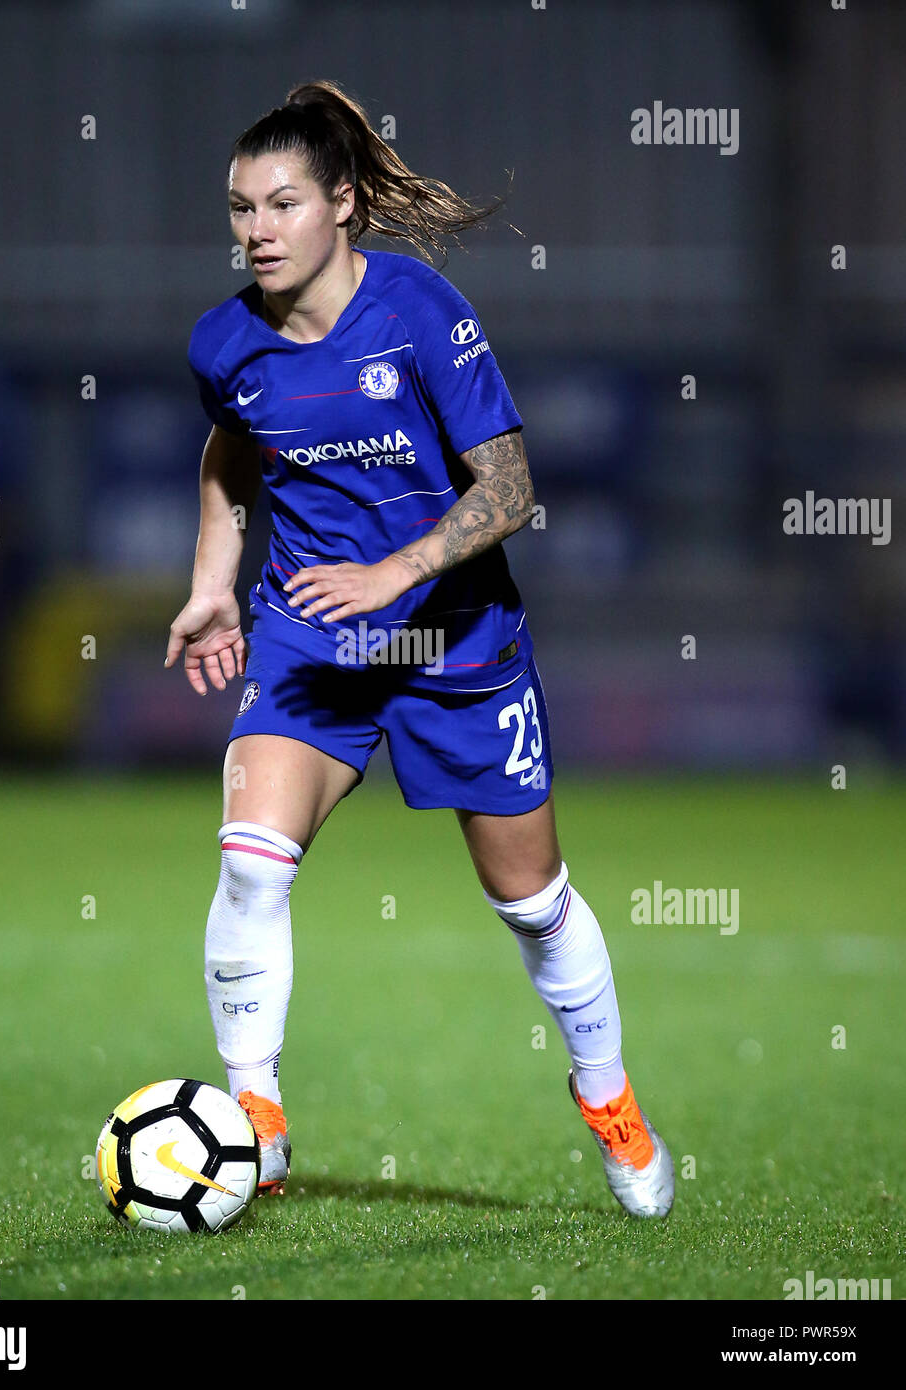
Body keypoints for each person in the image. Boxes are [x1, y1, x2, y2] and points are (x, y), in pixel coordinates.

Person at [165, 80, 673, 1218]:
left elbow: (510, 489)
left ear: (341, 203)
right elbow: (228, 454)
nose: (255, 230)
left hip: (454, 640)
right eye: (239, 208)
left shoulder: (420, 312)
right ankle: (256, 1122)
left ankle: (608, 1100)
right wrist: (213, 585)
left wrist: (392, 575)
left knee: (530, 900)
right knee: (250, 861)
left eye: (281, 204)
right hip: (311, 635)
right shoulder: (224, 341)